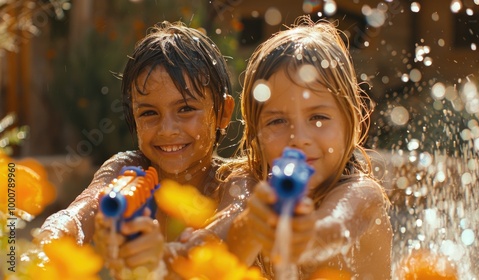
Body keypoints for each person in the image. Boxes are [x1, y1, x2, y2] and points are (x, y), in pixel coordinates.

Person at [34, 21, 253, 278]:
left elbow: (224, 235)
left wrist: (161, 255)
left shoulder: (234, 181)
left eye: (185, 109)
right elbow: (78, 214)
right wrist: (49, 241)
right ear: (134, 118)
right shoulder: (127, 172)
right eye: (149, 113)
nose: (167, 129)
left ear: (224, 113)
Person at [225, 16, 393, 279]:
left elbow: (336, 227)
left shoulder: (362, 195)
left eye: (318, 118)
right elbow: (213, 244)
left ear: (353, 120)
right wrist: (248, 227)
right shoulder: (246, 187)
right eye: (277, 121)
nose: (298, 138)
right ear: (255, 133)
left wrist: (306, 235)